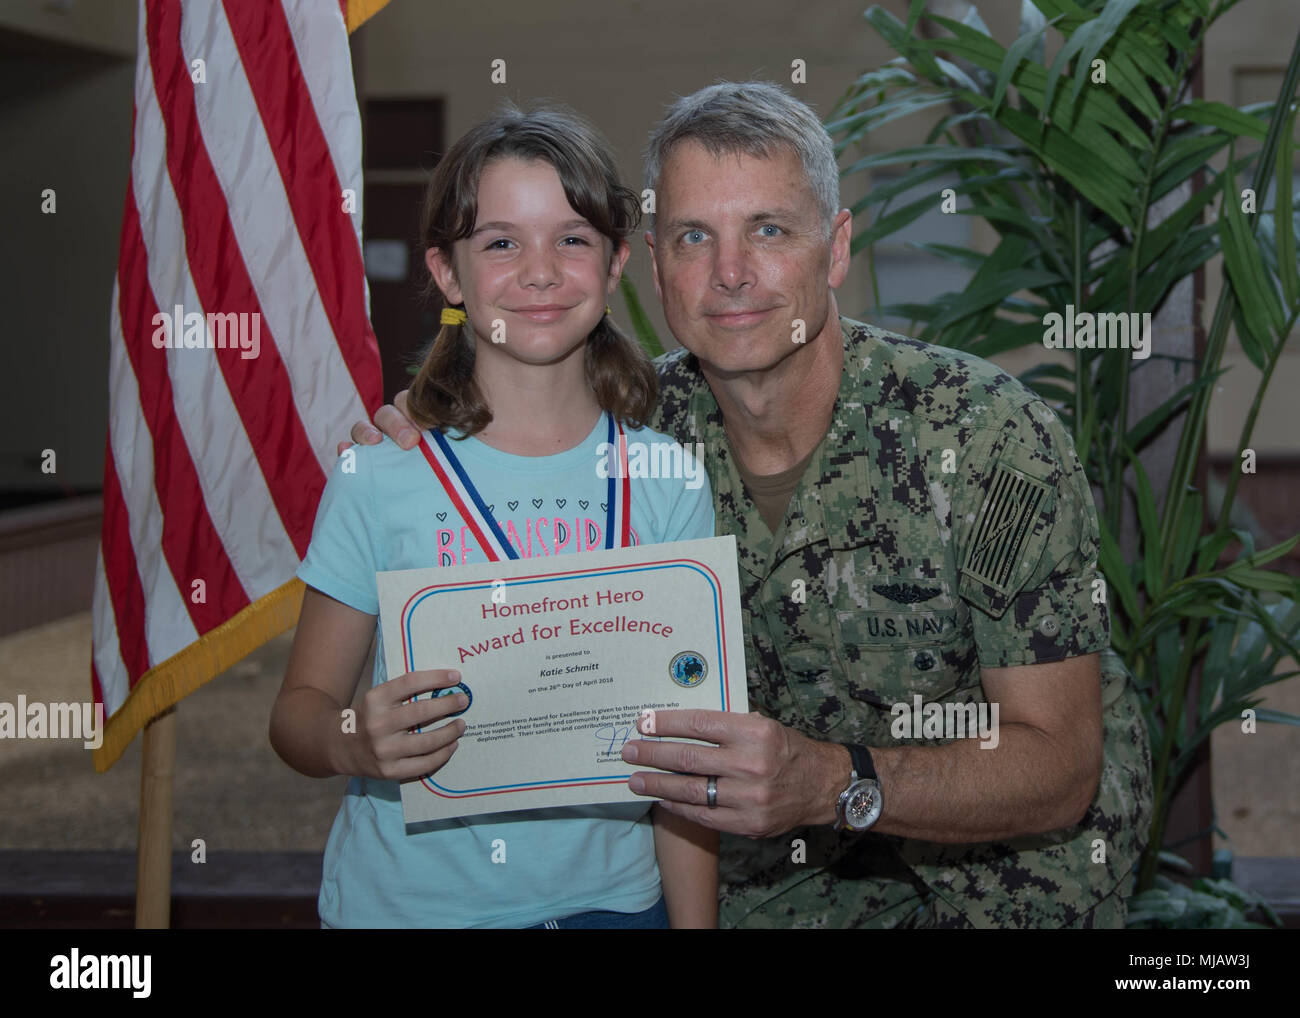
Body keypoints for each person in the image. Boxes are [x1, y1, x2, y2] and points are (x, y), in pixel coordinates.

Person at [350, 82, 1153, 929]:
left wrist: (833, 783)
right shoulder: (618, 440)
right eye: (696, 237)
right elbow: (485, 456)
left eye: (769, 230)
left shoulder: (989, 440)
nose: (731, 274)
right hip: (766, 889)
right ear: (655, 265)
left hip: (1001, 882)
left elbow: (1060, 762)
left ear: (835, 250)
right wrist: (419, 433)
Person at [270, 102, 718, 929]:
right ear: (446, 272)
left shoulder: (666, 478)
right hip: (406, 909)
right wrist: (351, 742)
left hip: (613, 906)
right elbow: (298, 711)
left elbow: (689, 753)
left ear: (617, 261)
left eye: (572, 239)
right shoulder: (381, 472)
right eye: (501, 242)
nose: (540, 273)